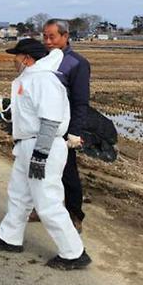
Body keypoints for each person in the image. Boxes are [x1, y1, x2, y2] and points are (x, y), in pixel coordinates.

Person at [0, 38, 90, 270]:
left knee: (47, 201)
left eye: (17, 56)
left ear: (27, 58)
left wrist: (40, 155)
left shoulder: (43, 79)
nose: (15, 61)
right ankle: (9, 238)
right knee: (19, 195)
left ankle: (74, 253)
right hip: (27, 146)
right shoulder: (30, 78)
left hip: (43, 147)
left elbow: (51, 119)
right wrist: (7, 115)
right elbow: (31, 114)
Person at [42, 18, 90, 232]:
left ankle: (74, 214)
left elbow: (80, 102)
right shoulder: (43, 60)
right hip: (43, 125)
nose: (48, 41)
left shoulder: (76, 63)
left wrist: (74, 133)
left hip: (63, 127)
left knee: (67, 171)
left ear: (65, 36)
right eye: (45, 36)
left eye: (52, 36)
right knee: (40, 169)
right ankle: (39, 207)